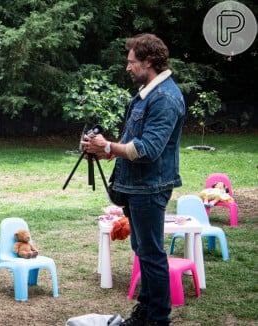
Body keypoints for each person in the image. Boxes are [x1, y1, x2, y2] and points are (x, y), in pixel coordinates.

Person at [81, 33, 185, 326]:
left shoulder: (164, 98)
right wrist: (106, 152)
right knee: (143, 251)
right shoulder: (148, 94)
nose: (127, 68)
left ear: (149, 61)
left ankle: (157, 319)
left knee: (151, 255)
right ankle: (146, 310)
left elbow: (149, 149)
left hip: (150, 188)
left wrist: (107, 146)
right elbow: (135, 142)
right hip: (138, 187)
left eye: (131, 62)